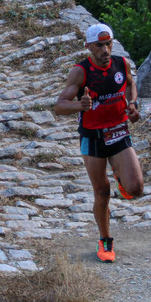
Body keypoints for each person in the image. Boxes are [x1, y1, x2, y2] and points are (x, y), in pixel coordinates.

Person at [55, 23, 144, 263]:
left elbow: (130, 84)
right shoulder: (80, 71)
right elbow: (59, 106)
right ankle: (105, 240)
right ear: (88, 47)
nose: (105, 50)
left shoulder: (121, 64)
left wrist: (133, 105)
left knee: (136, 189)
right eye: (99, 45)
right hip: (92, 137)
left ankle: (121, 175)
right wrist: (79, 106)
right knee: (102, 191)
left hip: (118, 131)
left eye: (108, 44)